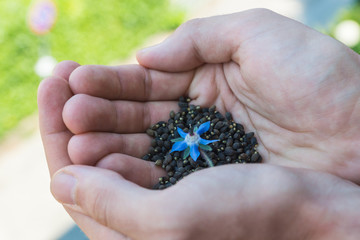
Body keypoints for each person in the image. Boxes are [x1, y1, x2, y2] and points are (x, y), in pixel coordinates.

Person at [38, 9, 360, 240]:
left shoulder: (203, 135)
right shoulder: (184, 141)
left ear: (195, 136)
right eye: (190, 135)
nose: (191, 136)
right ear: (187, 137)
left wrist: (315, 220)